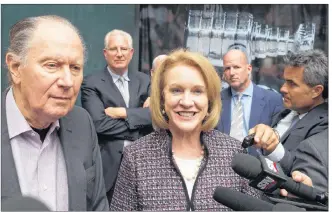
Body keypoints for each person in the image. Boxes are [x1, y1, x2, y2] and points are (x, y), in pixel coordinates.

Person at [110, 49, 259, 211]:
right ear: (161, 99)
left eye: (197, 91)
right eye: (176, 90)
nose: (187, 102)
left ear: (209, 100)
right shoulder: (135, 157)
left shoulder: (234, 153)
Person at [2, 15, 108, 211]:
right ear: (16, 68)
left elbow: (97, 204)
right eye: (52, 65)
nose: (67, 81)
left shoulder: (82, 123)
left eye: (75, 68)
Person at [81, 29, 153, 203]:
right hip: (108, 167)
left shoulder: (146, 81)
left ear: (131, 52)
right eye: (114, 49)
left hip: (144, 164)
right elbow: (99, 124)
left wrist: (123, 113)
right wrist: (139, 125)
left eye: (124, 49)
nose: (119, 54)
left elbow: (156, 117)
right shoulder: (91, 83)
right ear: (105, 53)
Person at [249, 49, 328, 182]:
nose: (283, 89)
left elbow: (303, 175)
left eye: (292, 84)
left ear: (316, 91)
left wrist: (272, 147)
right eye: (284, 81)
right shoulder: (284, 113)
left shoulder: (325, 127)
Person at [216, 47, 284, 156]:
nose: (232, 73)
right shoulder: (216, 100)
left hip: (257, 167)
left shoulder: (272, 100)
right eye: (227, 68)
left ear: (249, 69)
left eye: (236, 67)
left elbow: (280, 139)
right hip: (223, 165)